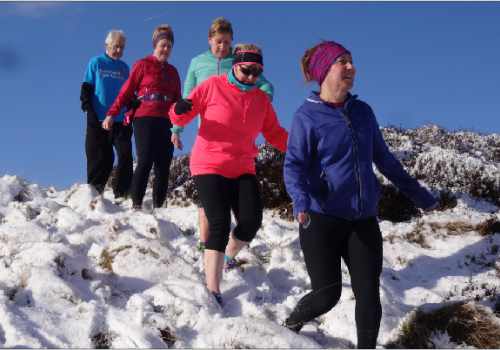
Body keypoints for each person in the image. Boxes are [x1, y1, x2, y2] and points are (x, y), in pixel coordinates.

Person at [283, 40, 438, 348]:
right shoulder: (307, 116)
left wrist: (418, 194)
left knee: (368, 294)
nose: (352, 68)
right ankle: (291, 324)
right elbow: (294, 165)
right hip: (320, 216)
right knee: (328, 294)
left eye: (352, 61)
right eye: (343, 62)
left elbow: (385, 159)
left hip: (363, 219)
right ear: (325, 70)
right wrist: (300, 200)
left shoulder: (363, 112)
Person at [169, 44, 288, 306]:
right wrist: (179, 110)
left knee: (251, 221)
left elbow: (275, 133)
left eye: (257, 73)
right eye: (247, 70)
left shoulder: (260, 100)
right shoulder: (212, 85)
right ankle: (213, 288)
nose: (251, 77)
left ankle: (227, 258)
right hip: (209, 163)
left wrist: (300, 148)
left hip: (242, 166)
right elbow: (185, 111)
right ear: (236, 65)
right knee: (220, 222)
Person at [171, 17, 274, 253]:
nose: (223, 47)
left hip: (235, 132)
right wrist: (177, 129)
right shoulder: (198, 62)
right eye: (218, 42)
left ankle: (218, 245)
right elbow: (187, 96)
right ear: (210, 40)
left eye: (227, 42)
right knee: (209, 189)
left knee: (224, 192)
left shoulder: (237, 62)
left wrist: (261, 104)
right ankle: (208, 243)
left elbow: (266, 85)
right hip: (207, 128)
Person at [103, 24, 181, 210]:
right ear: (155, 45)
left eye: (169, 46)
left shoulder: (173, 72)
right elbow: (126, 91)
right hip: (144, 117)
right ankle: (136, 204)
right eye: (163, 45)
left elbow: (177, 101)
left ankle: (159, 207)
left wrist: (178, 127)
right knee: (145, 159)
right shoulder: (142, 64)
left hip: (166, 120)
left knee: (163, 164)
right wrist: (112, 113)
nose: (166, 49)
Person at [80, 29, 133, 199]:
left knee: (125, 155)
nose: (119, 50)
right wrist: (88, 109)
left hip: (119, 120)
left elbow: (129, 94)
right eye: (116, 46)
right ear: (107, 45)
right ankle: (95, 196)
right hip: (98, 118)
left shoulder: (125, 68)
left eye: (122, 47)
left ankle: (121, 193)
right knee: (101, 160)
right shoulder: (95, 63)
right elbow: (86, 88)